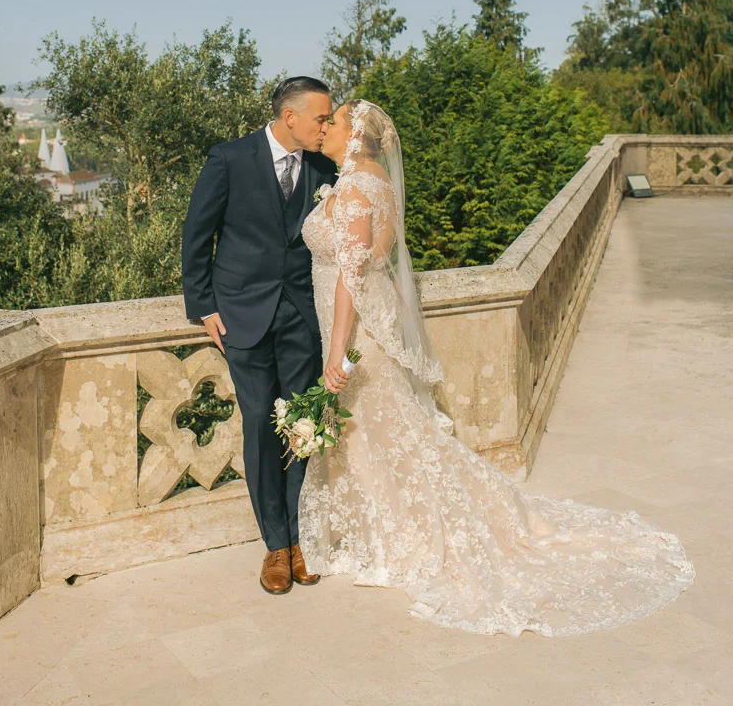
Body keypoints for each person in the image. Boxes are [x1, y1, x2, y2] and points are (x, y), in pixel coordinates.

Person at [298, 99, 696, 636]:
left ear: (354, 137)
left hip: (356, 324)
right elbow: (378, 262)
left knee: (374, 428)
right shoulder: (378, 184)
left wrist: (337, 351)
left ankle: (397, 535)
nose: (323, 129)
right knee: (384, 431)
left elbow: (350, 274)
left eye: (333, 123)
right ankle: (384, 526)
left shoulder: (351, 189)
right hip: (373, 314)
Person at [182, 76, 337, 595]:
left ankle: (299, 539)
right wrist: (203, 307)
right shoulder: (229, 159)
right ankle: (275, 544)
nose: (327, 126)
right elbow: (197, 236)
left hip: (302, 315)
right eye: (321, 117)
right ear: (289, 116)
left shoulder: (323, 167)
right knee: (258, 426)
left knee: (302, 427)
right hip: (242, 315)